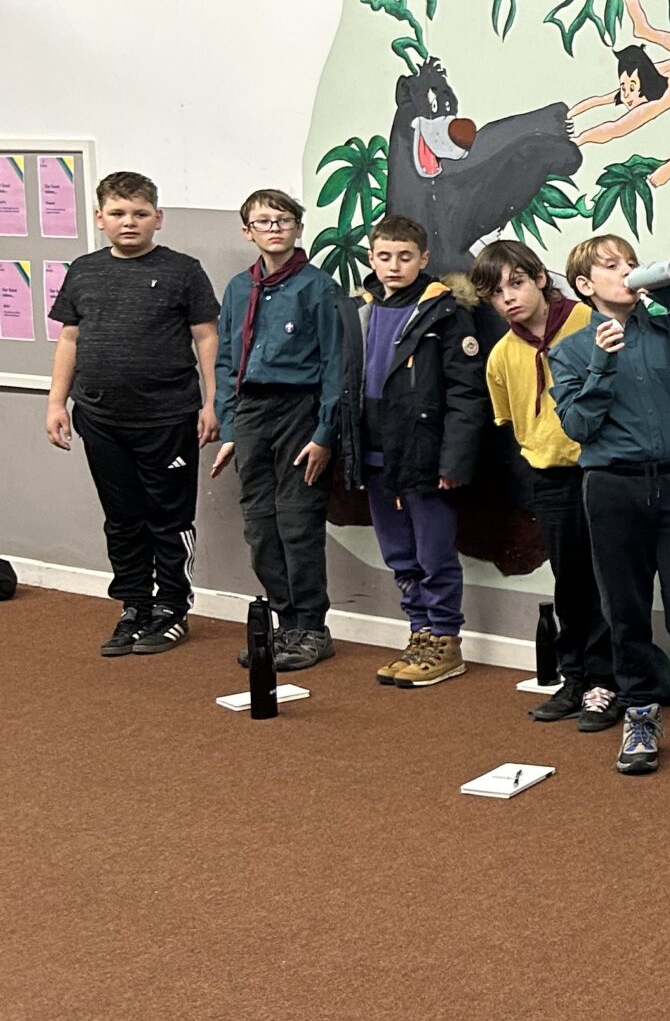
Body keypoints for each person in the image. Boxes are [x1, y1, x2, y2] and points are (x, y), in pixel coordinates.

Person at [549, 232, 670, 775]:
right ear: (586, 286)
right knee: (625, 611)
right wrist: (602, 365)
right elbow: (579, 427)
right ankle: (639, 714)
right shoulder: (569, 352)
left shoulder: (664, 331)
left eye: (631, 262)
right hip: (613, 489)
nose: (628, 271)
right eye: (612, 266)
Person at [43, 169, 220, 656]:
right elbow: (70, 338)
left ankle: (172, 610)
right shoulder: (83, 269)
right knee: (122, 519)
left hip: (168, 418)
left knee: (169, 518)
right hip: (99, 417)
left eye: (140, 213)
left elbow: (207, 337)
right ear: (100, 218)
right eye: (118, 213)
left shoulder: (184, 270)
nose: (129, 222)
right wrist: (57, 402)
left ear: (158, 218)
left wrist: (212, 402)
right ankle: (134, 607)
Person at [474, 239, 618, 734]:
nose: (509, 297)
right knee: (568, 578)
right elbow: (514, 421)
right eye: (496, 293)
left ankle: (606, 680)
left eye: (517, 282)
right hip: (549, 474)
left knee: (606, 574)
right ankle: (574, 677)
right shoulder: (501, 356)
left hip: (600, 466)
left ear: (540, 278)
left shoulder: (588, 322)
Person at [209, 188, 343, 673]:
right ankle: (285, 621)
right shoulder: (237, 289)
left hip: (299, 410)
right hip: (251, 413)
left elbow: (335, 366)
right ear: (248, 231)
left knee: (297, 519)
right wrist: (229, 426)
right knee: (260, 524)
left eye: (283, 220)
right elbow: (226, 360)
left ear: (298, 228)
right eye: (263, 222)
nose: (274, 229)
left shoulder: (317, 287)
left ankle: (310, 626)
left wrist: (325, 432)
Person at [354, 214, 485, 688]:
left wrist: (453, 461)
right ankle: (420, 631)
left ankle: (446, 640)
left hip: (425, 455)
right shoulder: (358, 309)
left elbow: (466, 394)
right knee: (398, 552)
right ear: (371, 258)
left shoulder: (445, 312)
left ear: (423, 259)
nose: (394, 266)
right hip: (373, 454)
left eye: (405, 257)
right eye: (384, 257)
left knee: (434, 552)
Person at [567, 0, 670, 186]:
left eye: (631, 88)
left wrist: (579, 139)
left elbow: (613, 129)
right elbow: (601, 99)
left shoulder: (651, 105)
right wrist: (571, 113)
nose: (625, 95)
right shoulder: (643, 78)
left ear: (642, 84)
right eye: (624, 87)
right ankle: (643, 30)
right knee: (654, 37)